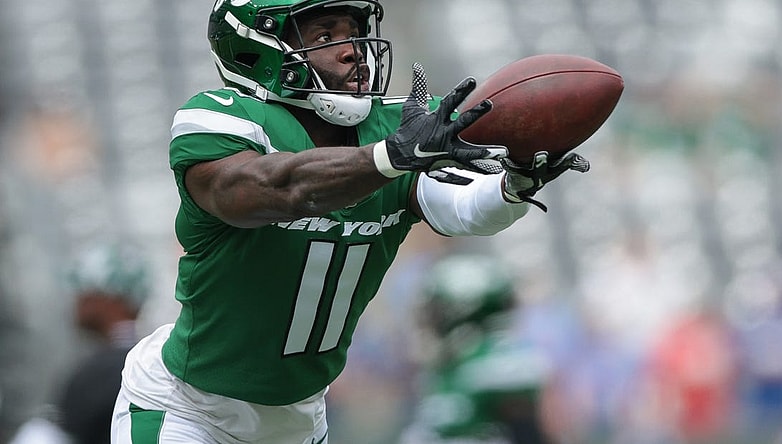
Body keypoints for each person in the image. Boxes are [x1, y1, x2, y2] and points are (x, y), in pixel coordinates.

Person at [110, 1, 589, 443]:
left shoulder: (396, 126)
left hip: (299, 419)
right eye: (325, 35)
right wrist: (388, 158)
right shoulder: (222, 119)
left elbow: (462, 209)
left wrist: (516, 183)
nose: (353, 51)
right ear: (256, 49)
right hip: (187, 409)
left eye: (355, 32)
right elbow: (265, 190)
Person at [400, 254, 554, 444]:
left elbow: (530, 434)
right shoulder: (449, 366)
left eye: (437, 311)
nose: (430, 321)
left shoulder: (499, 363)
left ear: (466, 309)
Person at [10, 244, 152, 444]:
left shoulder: (103, 369)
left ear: (111, 298)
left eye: (86, 290)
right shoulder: (147, 361)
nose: (76, 299)